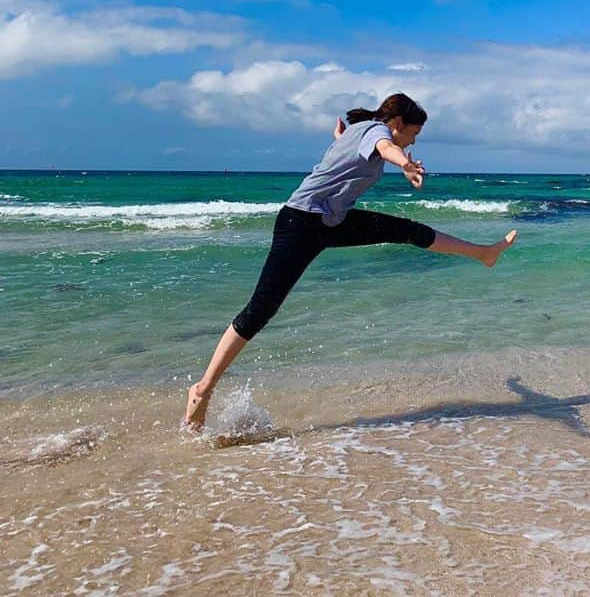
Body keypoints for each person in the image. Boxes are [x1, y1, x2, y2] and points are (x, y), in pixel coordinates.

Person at [183, 93, 517, 431]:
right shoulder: (376, 133)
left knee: (407, 230)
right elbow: (386, 148)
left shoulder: (360, 131)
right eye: (414, 132)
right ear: (397, 123)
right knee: (261, 309)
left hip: (329, 221)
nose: (415, 139)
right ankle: (202, 390)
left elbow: (356, 151)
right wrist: (403, 163)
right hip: (301, 224)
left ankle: (481, 253)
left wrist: (369, 152)